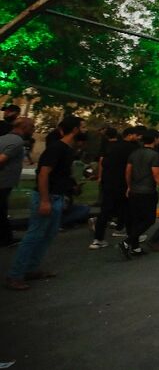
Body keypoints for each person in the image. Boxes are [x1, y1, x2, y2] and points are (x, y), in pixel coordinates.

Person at [6, 116, 82, 290]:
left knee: (47, 235)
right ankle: (15, 275)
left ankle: (31, 269)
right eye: (81, 127)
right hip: (47, 197)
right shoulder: (56, 148)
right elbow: (43, 174)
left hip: (57, 196)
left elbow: (61, 174)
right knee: (34, 236)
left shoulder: (67, 150)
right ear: (75, 129)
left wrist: (72, 187)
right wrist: (45, 200)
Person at [119, 129, 159, 258]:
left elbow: (128, 171)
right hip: (147, 192)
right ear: (155, 139)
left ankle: (135, 248)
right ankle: (127, 242)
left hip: (134, 191)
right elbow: (156, 173)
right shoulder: (154, 155)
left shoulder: (134, 153)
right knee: (149, 219)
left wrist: (129, 186)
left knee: (136, 220)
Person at [90, 126, 140, 249]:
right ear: (130, 135)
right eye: (136, 135)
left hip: (109, 183)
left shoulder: (113, 147)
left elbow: (104, 162)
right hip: (124, 183)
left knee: (105, 211)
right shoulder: (133, 149)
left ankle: (98, 239)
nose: (138, 138)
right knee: (128, 210)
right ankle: (131, 237)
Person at [0, 118, 36, 246]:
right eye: (32, 127)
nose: (33, 130)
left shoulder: (3, 138)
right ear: (24, 127)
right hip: (3, 182)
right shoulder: (17, 141)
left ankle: (6, 238)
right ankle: (6, 239)